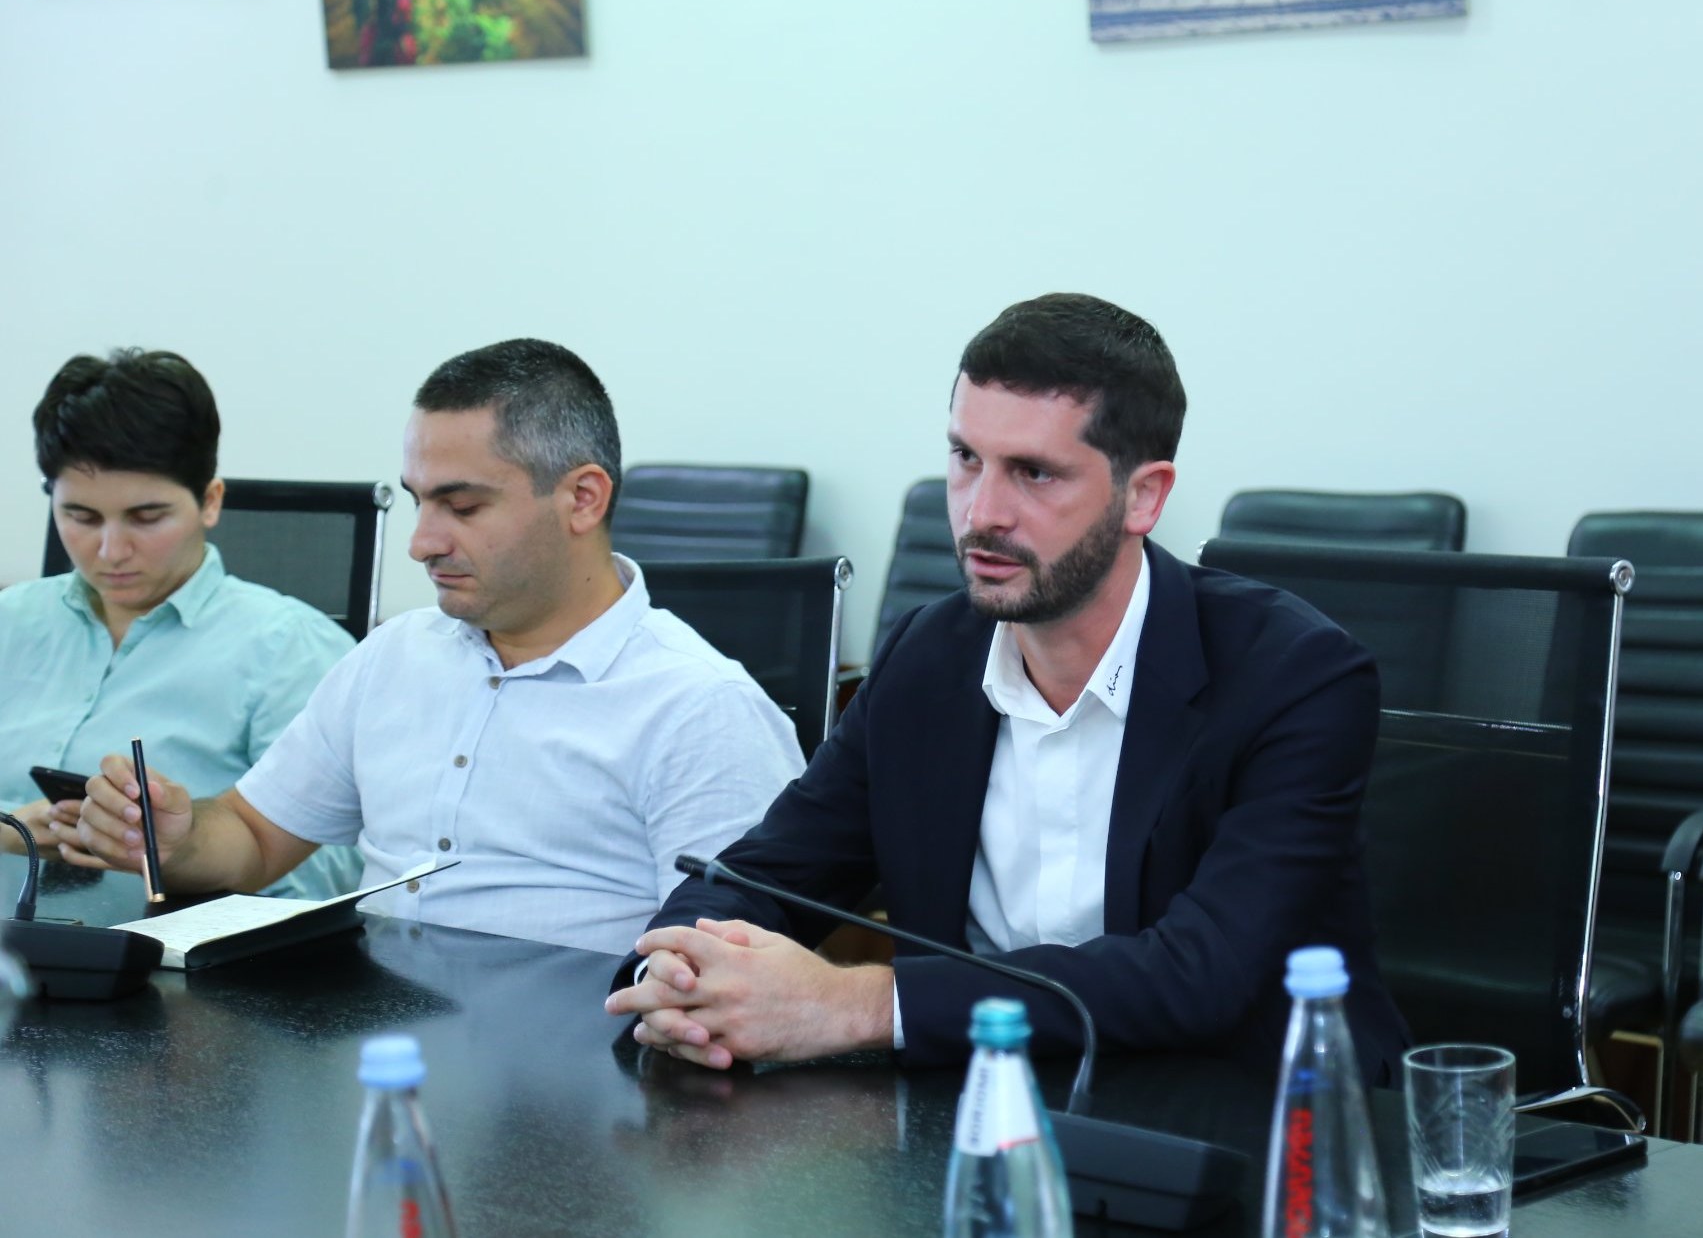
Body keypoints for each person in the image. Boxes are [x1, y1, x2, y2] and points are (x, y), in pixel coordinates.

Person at [606, 293, 1410, 1082]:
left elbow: (1201, 973)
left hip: (1243, 1112)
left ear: (1143, 495)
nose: (981, 513)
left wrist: (857, 1004)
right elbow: (765, 873)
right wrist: (678, 973)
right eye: (965, 458)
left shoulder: (1294, 675)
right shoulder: (926, 656)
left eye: (1034, 472)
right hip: (976, 1102)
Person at [59, 339, 805, 955]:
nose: (421, 542)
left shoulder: (700, 709)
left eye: (463, 505)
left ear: (582, 498)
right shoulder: (395, 656)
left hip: (573, 1067)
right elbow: (255, 839)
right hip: (367, 1043)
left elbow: (734, 969)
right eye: (420, 500)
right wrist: (179, 837)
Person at [0, 349, 359, 899]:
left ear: (210, 501)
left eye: (147, 517)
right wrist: (12, 830)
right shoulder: (12, 621)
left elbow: (330, 875)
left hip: (171, 949)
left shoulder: (290, 650)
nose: (110, 550)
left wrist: (184, 852)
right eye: (81, 516)